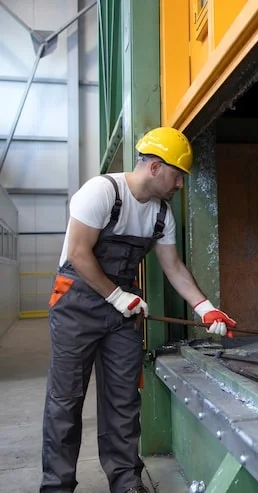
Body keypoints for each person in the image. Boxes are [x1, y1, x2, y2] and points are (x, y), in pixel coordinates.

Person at [40, 127, 237, 493]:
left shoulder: (161, 215)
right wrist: (116, 296)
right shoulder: (101, 192)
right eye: (178, 175)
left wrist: (206, 308)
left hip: (122, 313)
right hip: (76, 306)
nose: (180, 184)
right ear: (155, 167)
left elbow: (174, 267)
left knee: (123, 399)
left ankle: (126, 481)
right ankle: (56, 486)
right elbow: (80, 253)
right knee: (66, 400)